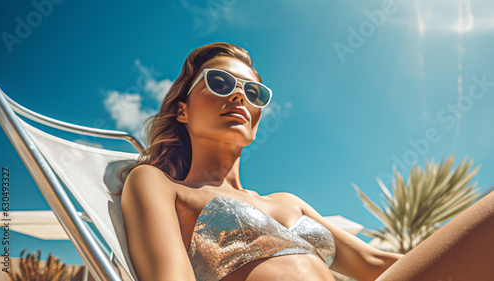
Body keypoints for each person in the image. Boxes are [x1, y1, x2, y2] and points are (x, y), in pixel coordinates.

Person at [118, 42, 494, 281]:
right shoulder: (156, 183)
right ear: (181, 110)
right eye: (219, 83)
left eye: (252, 92)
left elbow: (376, 263)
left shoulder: (288, 201)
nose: (238, 97)